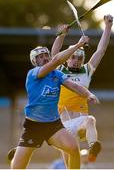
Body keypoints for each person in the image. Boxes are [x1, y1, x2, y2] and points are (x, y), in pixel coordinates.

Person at [9, 34, 99, 169]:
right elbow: (56, 60)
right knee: (17, 167)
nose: (44, 57)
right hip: (33, 126)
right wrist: (78, 45)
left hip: (53, 124)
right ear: (35, 61)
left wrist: (88, 94)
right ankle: (18, 154)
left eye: (46, 55)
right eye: (40, 56)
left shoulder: (57, 74)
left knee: (73, 149)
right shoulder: (33, 73)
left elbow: (74, 86)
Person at [51, 14, 113, 164]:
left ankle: (93, 147)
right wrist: (61, 35)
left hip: (80, 121)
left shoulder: (87, 71)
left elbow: (101, 50)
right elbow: (54, 54)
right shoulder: (60, 70)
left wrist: (108, 27)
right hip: (62, 123)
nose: (76, 60)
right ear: (68, 58)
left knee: (90, 119)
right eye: (73, 57)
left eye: (80, 58)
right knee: (72, 164)